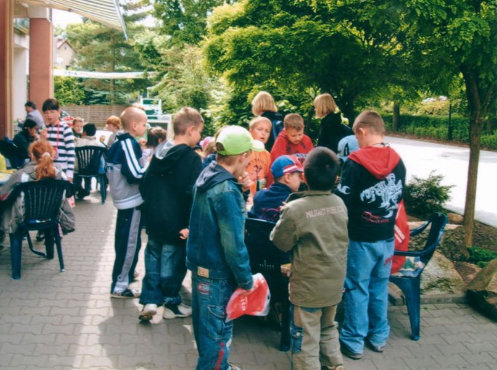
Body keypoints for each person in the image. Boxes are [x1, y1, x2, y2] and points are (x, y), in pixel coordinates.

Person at [187, 125, 261, 369]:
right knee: (217, 339)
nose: (249, 165)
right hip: (218, 275)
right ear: (242, 156)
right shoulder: (226, 191)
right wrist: (246, 280)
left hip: (200, 269)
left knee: (207, 336)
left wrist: (239, 187)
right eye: (248, 159)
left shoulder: (208, 172)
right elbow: (233, 244)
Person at [336, 110, 406, 359]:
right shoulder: (398, 160)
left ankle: (354, 340)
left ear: (363, 131)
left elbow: (342, 201)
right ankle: (378, 335)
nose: (357, 141)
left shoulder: (354, 162)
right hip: (386, 237)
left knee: (356, 287)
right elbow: (398, 198)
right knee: (379, 287)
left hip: (360, 238)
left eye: (357, 135)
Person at [270, 147, 348, 370]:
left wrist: (289, 213)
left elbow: (280, 241)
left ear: (304, 176)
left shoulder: (295, 208)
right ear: (335, 179)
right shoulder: (340, 204)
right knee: (328, 328)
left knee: (306, 338)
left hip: (307, 287)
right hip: (334, 284)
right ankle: (336, 366)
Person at [138, 107, 204, 321]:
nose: (200, 137)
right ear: (191, 130)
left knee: (153, 257)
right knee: (172, 263)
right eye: (200, 132)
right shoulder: (192, 158)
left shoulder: (159, 153)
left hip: (154, 217)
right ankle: (170, 302)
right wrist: (189, 222)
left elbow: (145, 183)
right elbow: (192, 192)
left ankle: (150, 299)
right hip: (176, 220)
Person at [0, 141, 75, 250]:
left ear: (31, 156)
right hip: (52, 217)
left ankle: (1, 237)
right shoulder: (60, 175)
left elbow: (3, 194)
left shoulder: (21, 175)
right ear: (51, 154)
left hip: (22, 218)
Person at [106, 106, 148, 298]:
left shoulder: (119, 142)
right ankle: (120, 285)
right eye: (143, 124)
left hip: (125, 201)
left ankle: (126, 273)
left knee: (128, 242)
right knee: (129, 244)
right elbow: (135, 174)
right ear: (133, 125)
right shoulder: (127, 143)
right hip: (130, 202)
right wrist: (153, 169)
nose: (145, 127)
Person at [250, 154, 303, 222]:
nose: (301, 180)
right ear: (288, 177)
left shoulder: (259, 196)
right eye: (299, 176)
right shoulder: (294, 203)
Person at [41, 98, 76, 182]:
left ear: (59, 112)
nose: (49, 115)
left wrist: (69, 174)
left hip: (61, 171)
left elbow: (71, 153)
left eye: (52, 112)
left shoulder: (65, 129)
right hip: (46, 170)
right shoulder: (43, 130)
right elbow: (39, 152)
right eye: (46, 113)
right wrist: (42, 140)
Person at [74, 123, 106, 199]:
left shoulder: (78, 143)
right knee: (89, 165)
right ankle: (87, 188)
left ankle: (79, 188)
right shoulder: (98, 144)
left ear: (84, 132)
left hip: (80, 169)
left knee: (77, 167)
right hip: (93, 169)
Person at [246, 116, 272, 197]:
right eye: (260, 129)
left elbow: (267, 177)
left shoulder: (267, 155)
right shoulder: (245, 151)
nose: (263, 133)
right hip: (245, 194)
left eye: (267, 131)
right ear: (250, 131)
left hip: (259, 196)